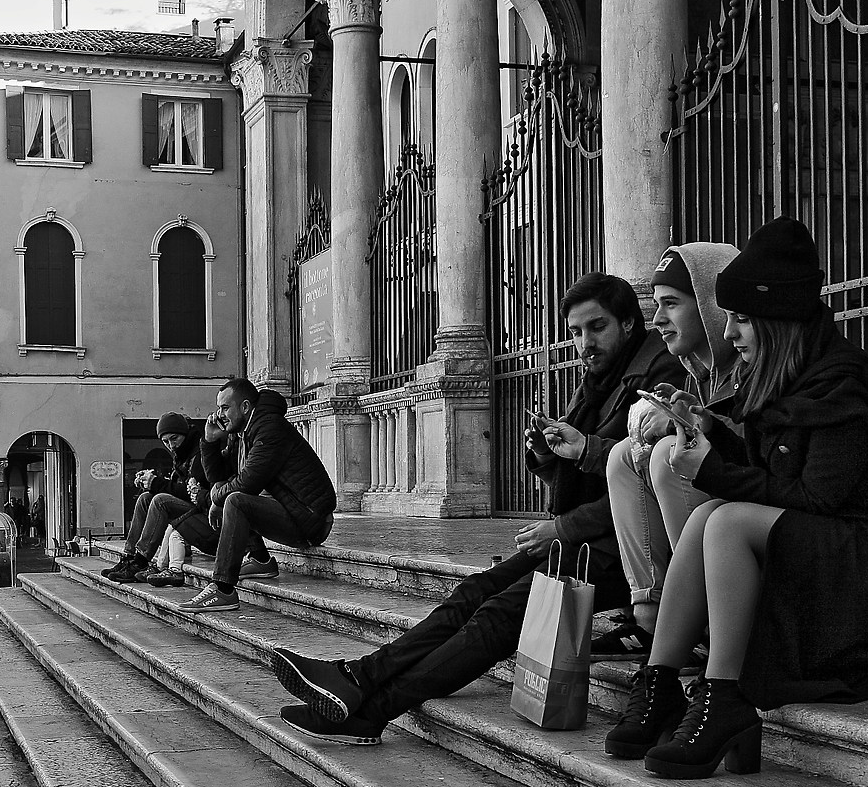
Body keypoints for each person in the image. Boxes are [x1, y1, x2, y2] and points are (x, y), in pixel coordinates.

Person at [266, 273, 667, 742]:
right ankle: (359, 676)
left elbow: (642, 490)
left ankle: (373, 709)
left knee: (497, 615)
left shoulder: (657, 378)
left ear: (629, 321)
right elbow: (585, 465)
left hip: (629, 549)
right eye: (576, 332)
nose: (584, 343)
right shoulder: (600, 379)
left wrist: (562, 521)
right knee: (474, 592)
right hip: (584, 537)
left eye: (596, 327)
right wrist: (545, 453)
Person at [615, 217, 868, 776]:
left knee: (724, 520)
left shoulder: (844, 382)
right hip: (836, 536)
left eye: (742, 320)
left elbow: (815, 498)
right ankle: (663, 679)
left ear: (777, 321)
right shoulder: (787, 379)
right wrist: (710, 430)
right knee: (706, 522)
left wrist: (714, 471)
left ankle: (724, 698)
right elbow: (775, 477)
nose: (731, 334)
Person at [595, 241, 745, 669]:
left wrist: (687, 427)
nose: (657, 320)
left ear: (711, 306)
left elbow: (757, 445)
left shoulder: (756, 361)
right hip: (725, 512)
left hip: (752, 528)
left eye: (671, 304)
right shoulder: (699, 373)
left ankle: (704, 618)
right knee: (625, 456)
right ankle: (651, 617)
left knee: (666, 453)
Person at [176, 377, 336, 614]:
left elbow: (247, 483)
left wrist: (215, 498)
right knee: (231, 498)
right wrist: (209, 443)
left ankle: (223, 589)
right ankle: (260, 559)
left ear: (245, 407)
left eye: (225, 408)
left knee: (236, 500)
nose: (219, 415)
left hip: (310, 519)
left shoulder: (269, 429)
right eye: (218, 408)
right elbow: (220, 476)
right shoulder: (245, 433)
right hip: (292, 510)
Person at [105, 412, 215, 587]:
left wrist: (157, 483)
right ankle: (129, 556)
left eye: (174, 439)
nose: (170, 445)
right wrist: (150, 483)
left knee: (160, 500)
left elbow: (190, 492)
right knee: (145, 498)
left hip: (201, 510)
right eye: (165, 442)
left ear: (185, 434)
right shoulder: (182, 452)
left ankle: (141, 560)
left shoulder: (199, 452)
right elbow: (176, 485)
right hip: (189, 505)